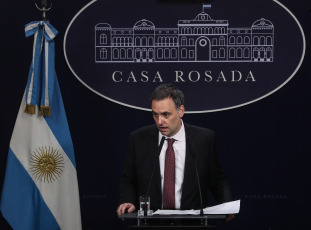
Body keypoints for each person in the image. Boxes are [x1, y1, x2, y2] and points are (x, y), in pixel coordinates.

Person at [117, 84, 234, 222]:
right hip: (152, 224)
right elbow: (129, 180)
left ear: (181, 111)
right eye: (155, 115)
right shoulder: (138, 139)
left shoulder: (204, 139)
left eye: (166, 114)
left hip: (192, 224)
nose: (160, 121)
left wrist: (226, 202)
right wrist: (128, 201)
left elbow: (217, 179)